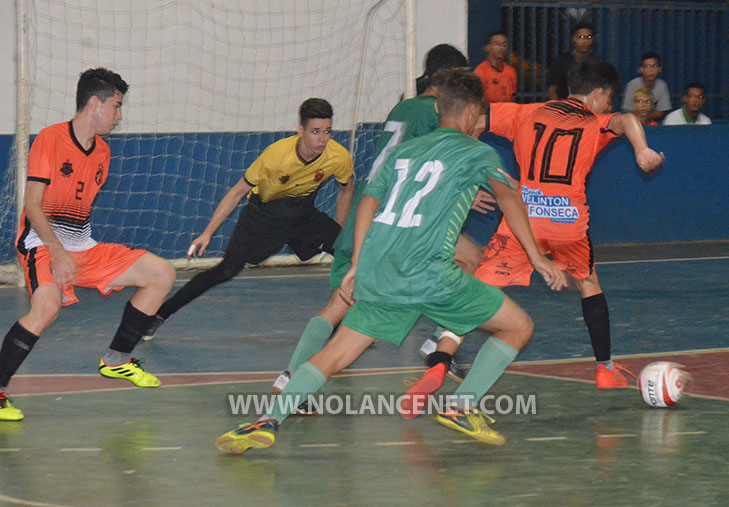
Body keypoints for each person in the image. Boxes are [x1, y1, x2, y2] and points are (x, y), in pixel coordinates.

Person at [214, 69, 567, 453]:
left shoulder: (405, 151)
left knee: (335, 354)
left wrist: (357, 264)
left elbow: (368, 201)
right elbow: (510, 198)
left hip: (381, 268)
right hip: (429, 270)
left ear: (437, 108)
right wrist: (537, 257)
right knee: (518, 327)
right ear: (472, 112)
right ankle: (461, 407)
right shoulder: (476, 152)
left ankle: (268, 420)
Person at [271, 44, 471, 403]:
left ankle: (290, 376)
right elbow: (431, 167)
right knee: (468, 259)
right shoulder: (435, 114)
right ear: (447, 82)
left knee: (338, 303)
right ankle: (439, 344)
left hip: (365, 215)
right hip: (393, 222)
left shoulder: (403, 107)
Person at [473, 56, 665, 389]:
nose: (607, 104)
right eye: (608, 97)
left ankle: (440, 351)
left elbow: (474, 120)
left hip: (525, 219)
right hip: (567, 223)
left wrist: (470, 171)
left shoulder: (527, 111)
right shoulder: (595, 122)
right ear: (600, 93)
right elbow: (628, 119)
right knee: (588, 283)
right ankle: (605, 369)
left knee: (480, 288)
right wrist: (642, 151)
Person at [0, 68, 177, 421]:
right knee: (47, 306)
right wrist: (59, 253)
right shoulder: (50, 139)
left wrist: (76, 254)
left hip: (82, 246)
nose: (119, 116)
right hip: (42, 243)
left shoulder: (103, 153)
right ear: (94, 103)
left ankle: (117, 359)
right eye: (116, 106)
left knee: (162, 273)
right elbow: (33, 206)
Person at [142, 99, 354, 339]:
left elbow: (346, 188)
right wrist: (208, 233)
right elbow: (236, 192)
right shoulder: (276, 156)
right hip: (263, 214)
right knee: (225, 270)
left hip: (302, 213)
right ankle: (160, 315)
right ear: (300, 131)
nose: (322, 139)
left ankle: (352, 326)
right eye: (315, 132)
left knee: (349, 252)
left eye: (327, 132)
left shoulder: (338, 157)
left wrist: (340, 230)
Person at [547, 21, 594, 100]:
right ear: (573, 39)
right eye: (581, 37)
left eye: (589, 37)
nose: (585, 41)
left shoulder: (595, 63)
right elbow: (552, 89)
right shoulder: (562, 61)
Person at [621, 52, 672, 122]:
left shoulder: (662, 86)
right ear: (641, 69)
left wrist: (645, 116)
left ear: (660, 69)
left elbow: (661, 113)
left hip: (653, 122)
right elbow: (627, 111)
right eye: (647, 67)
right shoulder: (632, 85)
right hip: (632, 122)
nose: (650, 70)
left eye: (654, 66)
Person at [473, 30, 518, 103]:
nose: (501, 48)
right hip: (490, 112)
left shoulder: (511, 71)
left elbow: (513, 97)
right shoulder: (480, 72)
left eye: (504, 45)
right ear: (487, 47)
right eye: (497, 44)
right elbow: (476, 100)